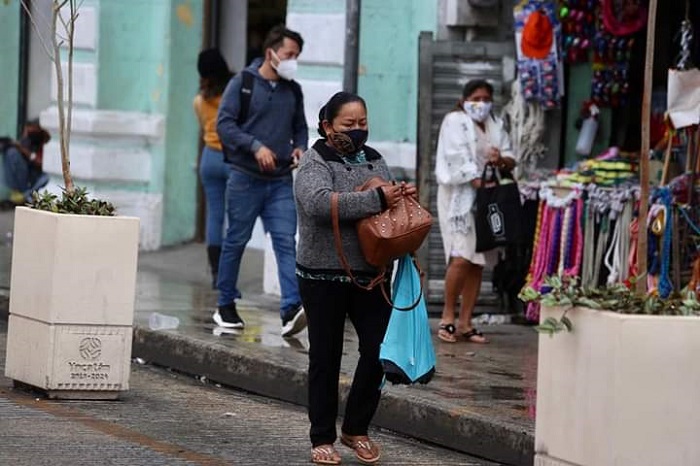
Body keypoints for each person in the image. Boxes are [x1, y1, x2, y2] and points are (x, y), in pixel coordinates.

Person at [294, 91, 416, 465]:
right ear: (327, 125)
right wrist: (378, 199)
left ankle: (356, 428)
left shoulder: (375, 159)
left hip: (371, 274)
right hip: (321, 275)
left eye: (362, 123)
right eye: (349, 124)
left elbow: (389, 207)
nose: (358, 130)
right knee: (326, 358)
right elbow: (318, 203)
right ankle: (322, 437)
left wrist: (400, 200)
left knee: (379, 351)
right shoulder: (314, 162)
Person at [215, 25, 308, 337]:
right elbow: (224, 125)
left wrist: (300, 147)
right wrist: (256, 147)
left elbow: (301, 127)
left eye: (297, 56)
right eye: (289, 54)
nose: (293, 61)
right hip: (245, 179)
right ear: (271, 53)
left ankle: (291, 309)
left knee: (285, 241)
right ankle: (225, 303)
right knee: (236, 241)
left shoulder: (292, 90)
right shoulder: (242, 83)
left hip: (280, 180)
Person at [435, 79, 516, 344]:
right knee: (460, 257)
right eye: (476, 98)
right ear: (465, 99)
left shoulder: (495, 124)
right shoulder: (454, 120)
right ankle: (447, 318)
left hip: (488, 198)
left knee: (478, 261)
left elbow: (510, 155)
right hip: (460, 197)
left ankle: (466, 322)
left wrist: (499, 160)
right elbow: (455, 156)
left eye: (486, 98)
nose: (481, 103)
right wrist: (476, 180)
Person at [193, 48, 233, 289]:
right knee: (236, 217)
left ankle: (216, 273)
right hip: (232, 159)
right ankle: (228, 271)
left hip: (209, 159)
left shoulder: (200, 100)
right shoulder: (234, 93)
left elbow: (202, 126)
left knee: (214, 217)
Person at [2, 120, 50, 204]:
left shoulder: (46, 141)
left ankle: (25, 196)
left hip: (39, 177)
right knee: (11, 152)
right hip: (27, 176)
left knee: (46, 177)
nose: (30, 134)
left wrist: (24, 150)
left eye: (32, 132)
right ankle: (17, 192)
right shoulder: (28, 139)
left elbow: (41, 163)